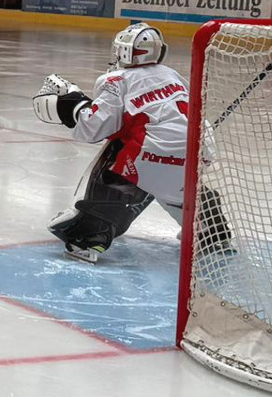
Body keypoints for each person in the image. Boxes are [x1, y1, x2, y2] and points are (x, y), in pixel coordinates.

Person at [34, 24, 207, 263]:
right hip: (199, 156)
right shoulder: (171, 74)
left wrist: (72, 105)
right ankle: (210, 231)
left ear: (125, 52)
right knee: (175, 182)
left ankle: (90, 236)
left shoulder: (116, 80)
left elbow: (94, 128)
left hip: (152, 160)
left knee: (120, 149)